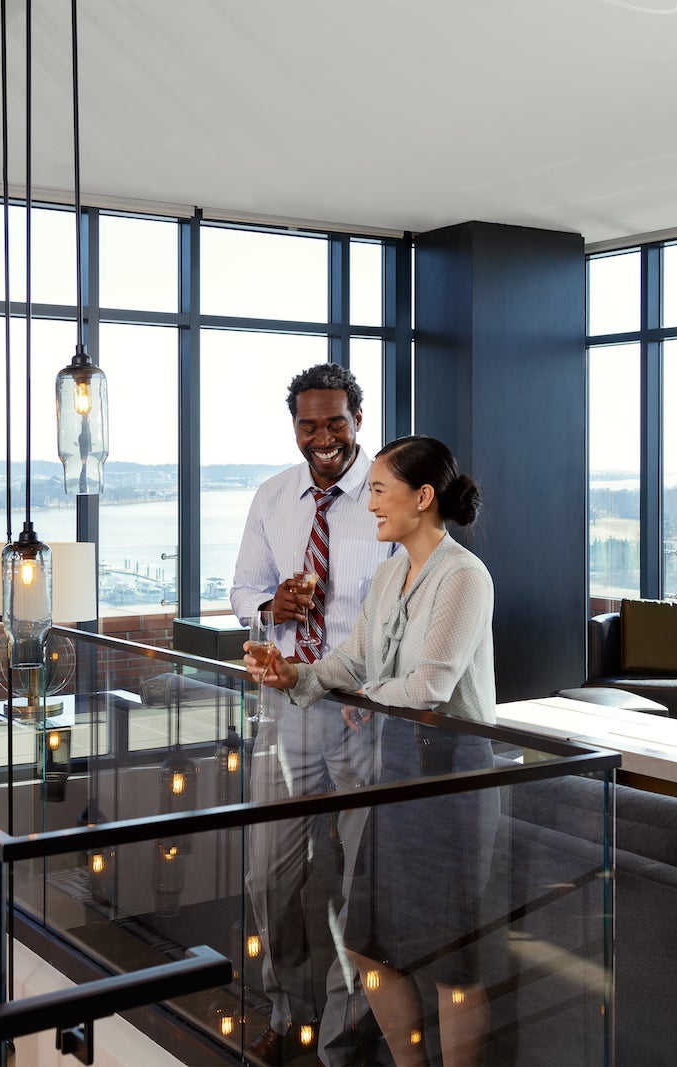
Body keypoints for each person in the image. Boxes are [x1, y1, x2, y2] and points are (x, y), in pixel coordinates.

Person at [246, 435, 496, 1067]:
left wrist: (369, 695)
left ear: (424, 496)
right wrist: (294, 677)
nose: (371, 504)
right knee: (368, 946)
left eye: (380, 490)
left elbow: (432, 683)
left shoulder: (463, 576)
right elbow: (351, 661)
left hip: (448, 781)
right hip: (393, 770)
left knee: (449, 963)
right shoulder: (389, 572)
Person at [230, 364, 396, 1066]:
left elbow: (405, 611)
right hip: (289, 705)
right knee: (268, 873)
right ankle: (285, 1007)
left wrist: (376, 689)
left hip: (364, 714)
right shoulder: (273, 498)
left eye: (335, 422)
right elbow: (242, 589)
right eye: (309, 424)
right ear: (293, 427)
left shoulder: (389, 498)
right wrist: (273, 609)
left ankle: (340, 1028)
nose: (322, 437)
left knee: (361, 876)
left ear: (358, 419)